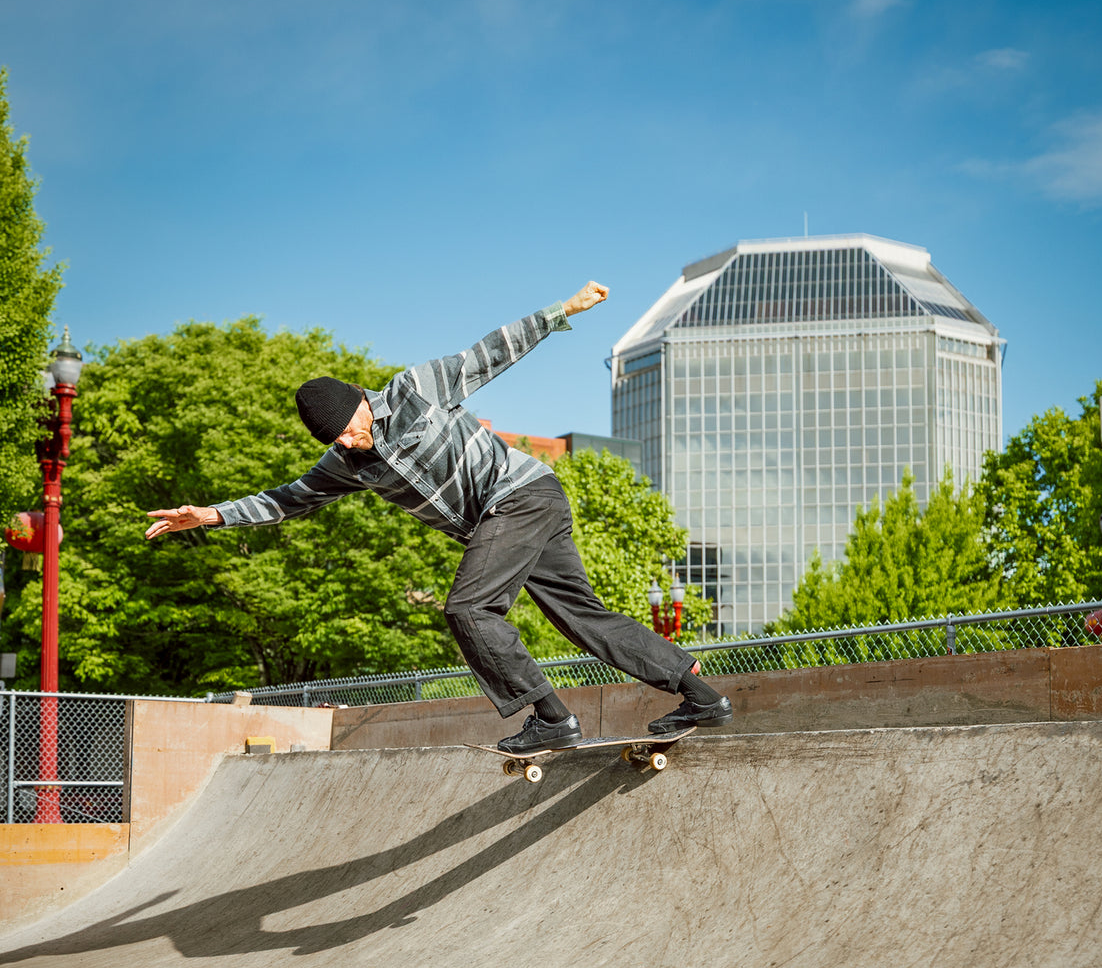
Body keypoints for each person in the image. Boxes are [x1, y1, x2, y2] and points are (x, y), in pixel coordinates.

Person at [145, 282, 731, 752]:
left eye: (351, 429)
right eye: (340, 441)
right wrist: (212, 516)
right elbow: (286, 498)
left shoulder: (413, 390)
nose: (351, 444)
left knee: (469, 607)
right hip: (519, 515)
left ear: (360, 402)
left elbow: (489, 353)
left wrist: (563, 310)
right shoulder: (345, 464)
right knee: (581, 616)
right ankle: (700, 694)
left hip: (522, 494)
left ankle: (550, 716)